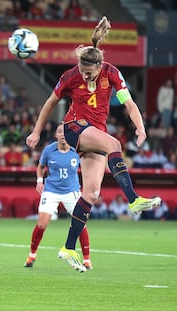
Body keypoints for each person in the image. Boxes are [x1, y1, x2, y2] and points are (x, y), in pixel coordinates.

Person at [25, 16, 161, 272]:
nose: (85, 75)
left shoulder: (111, 73)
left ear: (99, 66)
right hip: (74, 128)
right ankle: (133, 199)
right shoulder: (70, 76)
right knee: (114, 144)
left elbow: (129, 103)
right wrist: (36, 131)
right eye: (82, 70)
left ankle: (67, 247)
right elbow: (49, 104)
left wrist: (140, 127)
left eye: (89, 72)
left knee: (91, 194)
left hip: (94, 134)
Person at [24, 124, 92, 270]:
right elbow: (40, 167)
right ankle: (31, 255)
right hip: (51, 190)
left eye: (65, 131)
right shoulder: (49, 150)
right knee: (42, 224)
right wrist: (39, 181)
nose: (62, 134)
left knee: (81, 223)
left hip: (72, 191)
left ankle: (87, 259)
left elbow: (89, 166)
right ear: (56, 134)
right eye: (59, 131)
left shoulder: (77, 149)